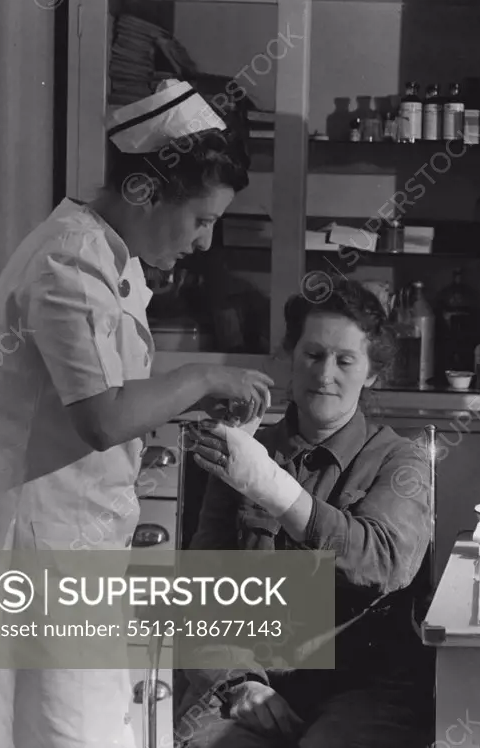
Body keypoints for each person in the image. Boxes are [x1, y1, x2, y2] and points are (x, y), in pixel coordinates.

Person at [0, 80, 274, 748]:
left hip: (76, 552)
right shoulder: (69, 259)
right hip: (42, 557)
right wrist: (199, 377)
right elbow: (101, 419)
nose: (204, 242)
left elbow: (103, 395)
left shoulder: (107, 258)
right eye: (200, 219)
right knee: (70, 734)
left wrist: (184, 402)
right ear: (143, 191)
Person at [180, 277, 433, 748]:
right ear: (288, 361)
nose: (325, 375)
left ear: (372, 373)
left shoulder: (401, 460)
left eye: (345, 360)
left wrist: (273, 487)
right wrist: (238, 681)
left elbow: (382, 565)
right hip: (252, 676)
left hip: (364, 685)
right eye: (313, 356)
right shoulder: (244, 453)